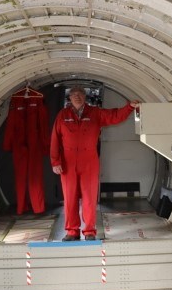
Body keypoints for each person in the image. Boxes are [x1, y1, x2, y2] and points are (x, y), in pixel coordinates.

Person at [50, 86, 140, 241]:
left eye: (80, 94)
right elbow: (55, 139)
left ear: (85, 97)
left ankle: (89, 231)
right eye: (73, 94)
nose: (77, 97)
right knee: (69, 197)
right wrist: (55, 161)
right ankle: (72, 231)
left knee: (89, 197)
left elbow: (115, 116)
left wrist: (129, 107)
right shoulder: (63, 115)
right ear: (69, 98)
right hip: (67, 162)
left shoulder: (95, 113)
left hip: (89, 161)